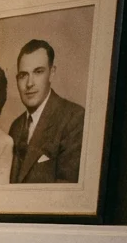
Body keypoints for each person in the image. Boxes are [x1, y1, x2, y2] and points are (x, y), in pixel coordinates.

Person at [8, 39, 84, 184]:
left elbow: (66, 192)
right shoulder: (16, 127)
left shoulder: (74, 119)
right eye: (23, 75)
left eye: (38, 72)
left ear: (52, 73)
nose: (29, 83)